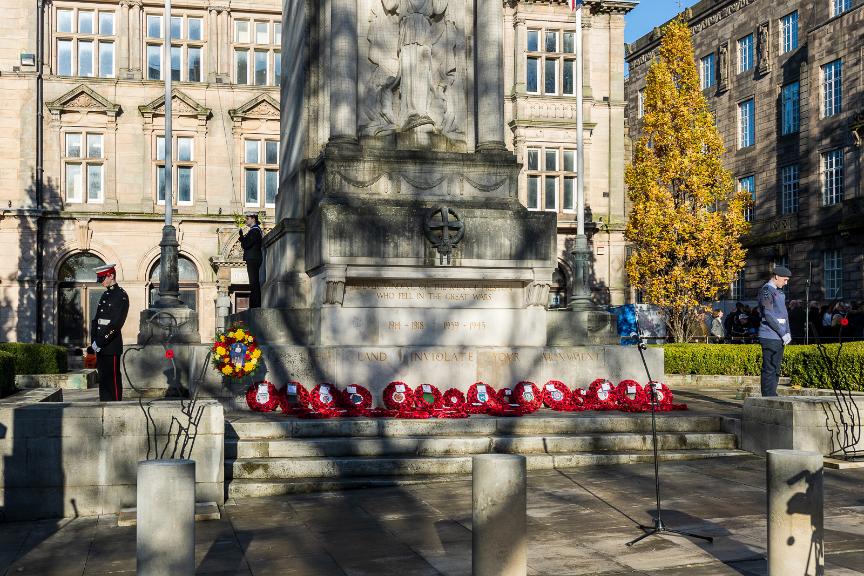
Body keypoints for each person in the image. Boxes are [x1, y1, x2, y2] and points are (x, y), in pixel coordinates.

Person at [88, 264, 129, 401]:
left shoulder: (121, 296)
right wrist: (93, 341)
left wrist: (100, 341)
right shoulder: (106, 294)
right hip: (100, 344)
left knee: (112, 380)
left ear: (111, 276)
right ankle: (104, 404)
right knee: (104, 380)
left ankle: (115, 407)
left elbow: (116, 324)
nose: (101, 282)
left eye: (103, 278)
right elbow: (97, 320)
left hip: (111, 344)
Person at [758, 266, 792, 397]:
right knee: (769, 368)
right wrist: (782, 332)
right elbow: (769, 314)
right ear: (776, 276)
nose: (786, 283)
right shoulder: (766, 291)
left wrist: (787, 332)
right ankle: (768, 397)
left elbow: (784, 315)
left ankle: (772, 394)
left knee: (776, 368)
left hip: (779, 335)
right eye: (785, 279)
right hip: (770, 334)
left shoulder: (778, 292)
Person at [239, 212, 264, 309]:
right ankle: (254, 304)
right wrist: (243, 238)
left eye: (247, 218)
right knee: (253, 282)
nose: (246, 220)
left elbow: (246, 245)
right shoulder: (254, 231)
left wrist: (242, 237)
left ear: (253, 219)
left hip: (253, 258)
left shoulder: (255, 231)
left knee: (254, 282)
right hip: (253, 258)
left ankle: (255, 305)